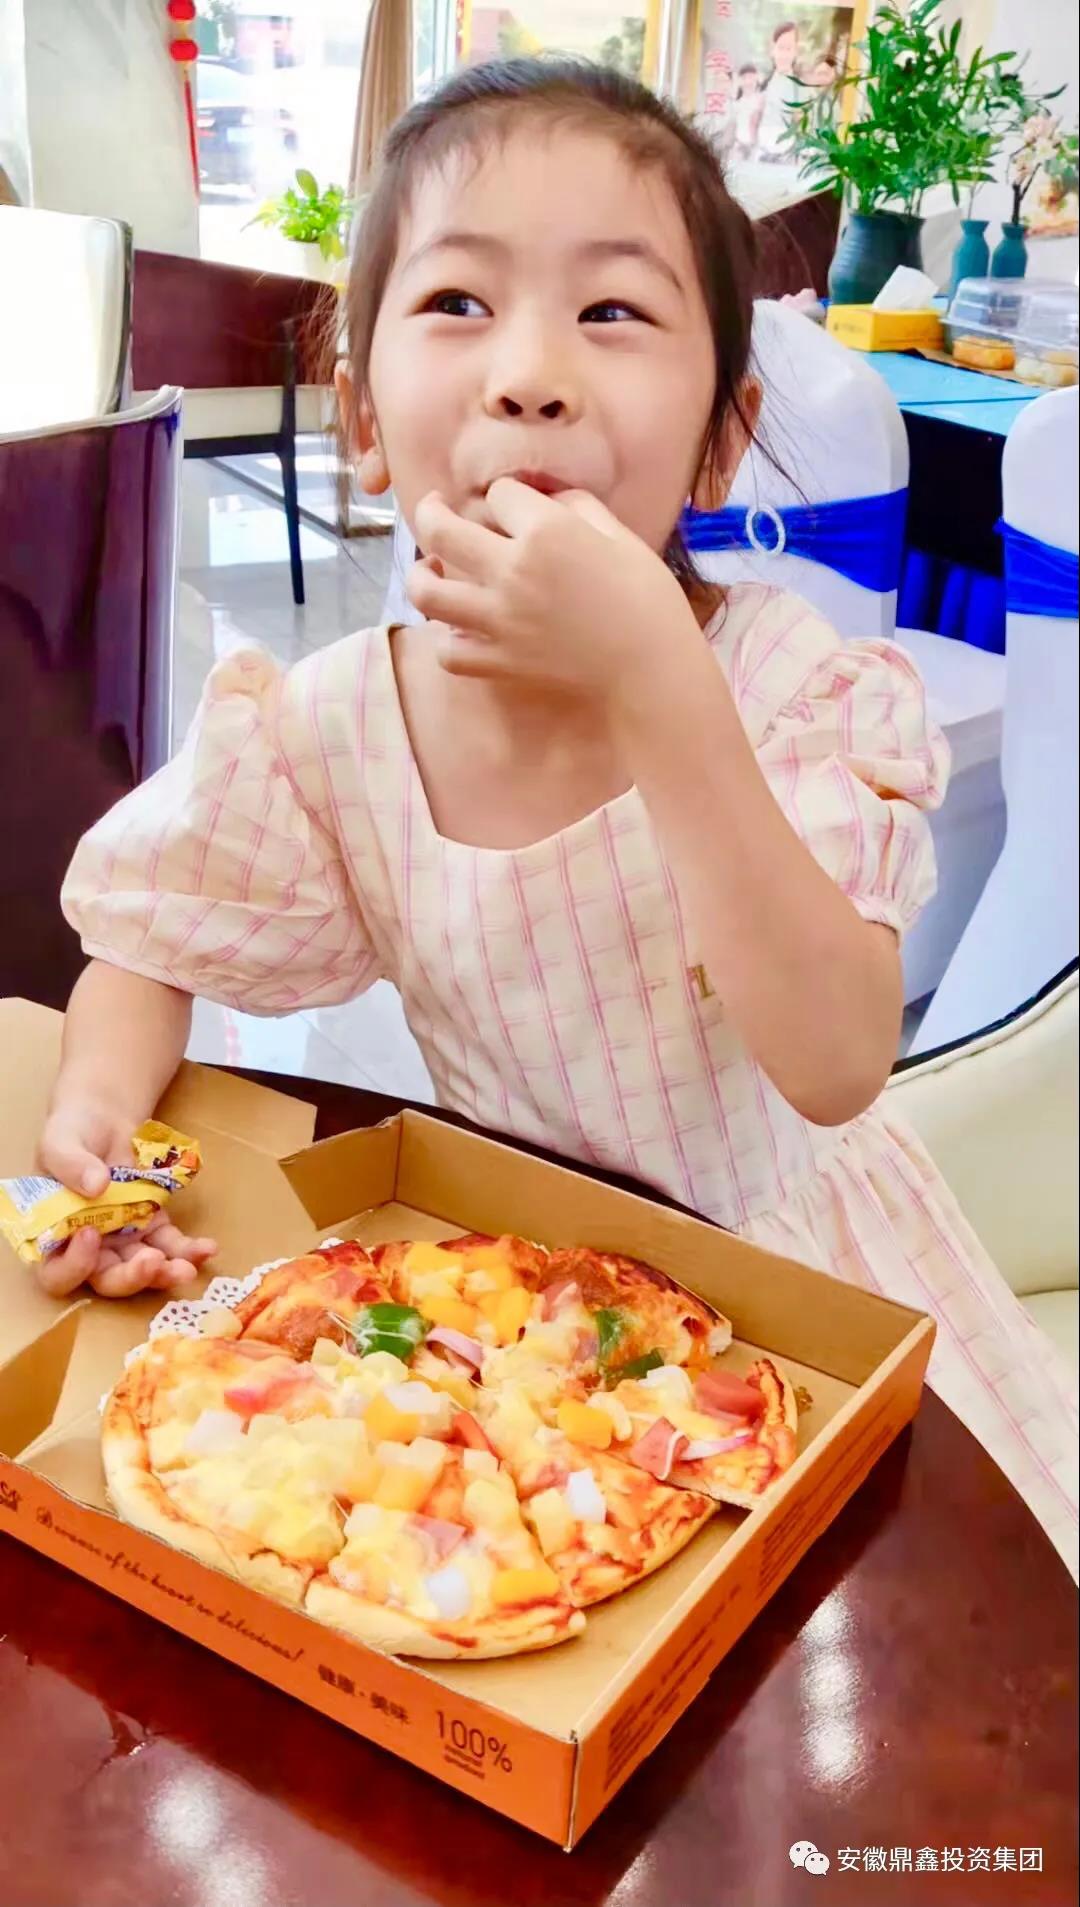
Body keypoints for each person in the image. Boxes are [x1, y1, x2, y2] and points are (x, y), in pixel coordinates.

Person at [42, 59, 1077, 1572]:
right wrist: (98, 1121)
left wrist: (659, 681)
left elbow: (837, 1059)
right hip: (524, 1316)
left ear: (721, 437)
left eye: (613, 309)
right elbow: (148, 936)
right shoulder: (328, 722)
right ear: (364, 418)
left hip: (808, 1292)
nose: (531, 372)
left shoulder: (786, 684)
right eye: (460, 301)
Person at [756, 19, 801, 163]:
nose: (784, 55)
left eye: (789, 49)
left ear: (796, 52)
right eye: (780, 48)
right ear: (772, 50)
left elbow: (799, 121)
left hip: (786, 153)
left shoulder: (799, 87)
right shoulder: (764, 84)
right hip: (761, 150)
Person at [731, 64, 763, 162]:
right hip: (738, 146)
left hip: (756, 148)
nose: (748, 82)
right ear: (740, 81)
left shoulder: (762, 101)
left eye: (751, 78)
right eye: (745, 78)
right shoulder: (735, 104)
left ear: (756, 80)